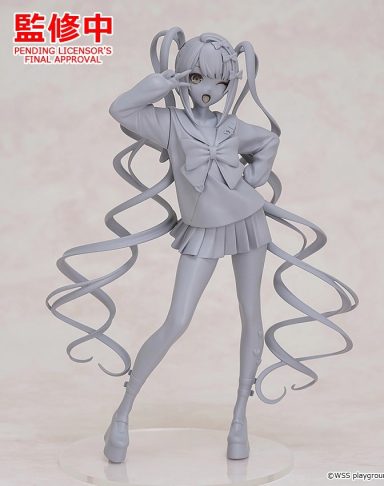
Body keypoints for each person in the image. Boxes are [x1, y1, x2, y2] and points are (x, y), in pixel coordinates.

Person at [46, 27, 358, 464]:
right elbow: (121, 109)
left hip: (248, 221)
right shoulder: (170, 123)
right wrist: (161, 84)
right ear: (184, 78)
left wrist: (255, 176)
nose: (208, 90)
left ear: (230, 84)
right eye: (197, 78)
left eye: (220, 81)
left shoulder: (232, 127)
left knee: (251, 315)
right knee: (177, 320)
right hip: (203, 229)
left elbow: (268, 140)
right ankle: (122, 413)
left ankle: (239, 418)